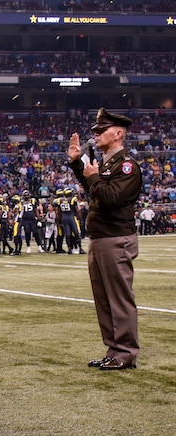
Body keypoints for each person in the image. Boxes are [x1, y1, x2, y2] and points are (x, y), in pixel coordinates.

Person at [69, 108, 142, 371]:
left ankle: (126, 352)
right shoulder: (107, 163)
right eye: (96, 131)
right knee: (104, 298)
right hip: (101, 237)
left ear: (119, 133)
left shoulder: (127, 165)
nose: (97, 134)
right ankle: (114, 349)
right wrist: (78, 164)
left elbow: (110, 198)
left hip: (115, 238)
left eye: (102, 130)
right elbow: (95, 190)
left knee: (119, 298)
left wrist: (93, 176)